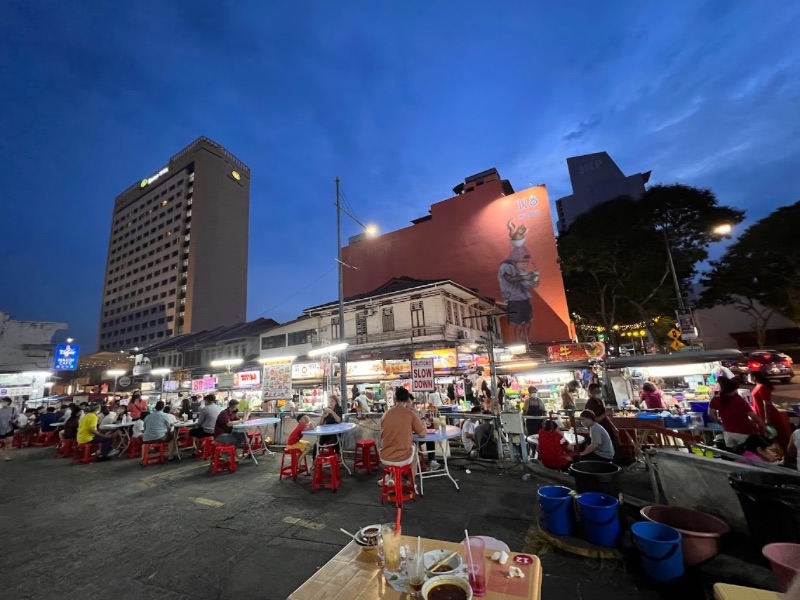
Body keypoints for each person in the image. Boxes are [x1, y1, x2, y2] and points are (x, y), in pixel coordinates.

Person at [380, 386, 426, 482]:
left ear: (395, 399)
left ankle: (392, 477)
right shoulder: (410, 414)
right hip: (402, 458)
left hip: (384, 456)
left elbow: (383, 435)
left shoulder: (385, 414)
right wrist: (423, 420)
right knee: (414, 452)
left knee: (396, 447)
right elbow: (422, 434)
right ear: (407, 400)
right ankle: (412, 483)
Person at [708, 376, 766, 449]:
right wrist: (764, 427)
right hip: (743, 432)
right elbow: (752, 415)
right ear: (731, 390)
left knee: (735, 456)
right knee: (748, 455)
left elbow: (711, 414)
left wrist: (719, 422)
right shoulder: (738, 400)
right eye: (735, 390)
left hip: (728, 433)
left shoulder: (715, 399)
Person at [751, 371, 792, 453]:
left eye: (750, 376)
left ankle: (785, 456)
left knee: (776, 436)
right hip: (761, 414)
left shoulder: (762, 387)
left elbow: (766, 403)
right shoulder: (758, 386)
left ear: (754, 377)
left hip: (768, 415)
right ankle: (779, 455)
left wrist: (767, 418)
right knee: (771, 437)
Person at [584, 382, 619, 453]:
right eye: (597, 391)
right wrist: (605, 414)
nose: (599, 393)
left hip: (606, 427)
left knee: (614, 445)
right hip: (598, 429)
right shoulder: (590, 404)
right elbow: (593, 420)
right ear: (591, 392)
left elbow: (605, 417)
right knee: (604, 448)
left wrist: (613, 427)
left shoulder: (600, 401)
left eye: (599, 391)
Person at [0, 397, 18, 461]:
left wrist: (14, 420)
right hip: (1, 428)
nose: (2, 403)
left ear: (8, 402)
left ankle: (7, 456)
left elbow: (17, 417)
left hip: (9, 427)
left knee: (9, 442)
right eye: (1, 401)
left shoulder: (13, 409)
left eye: (4, 401)